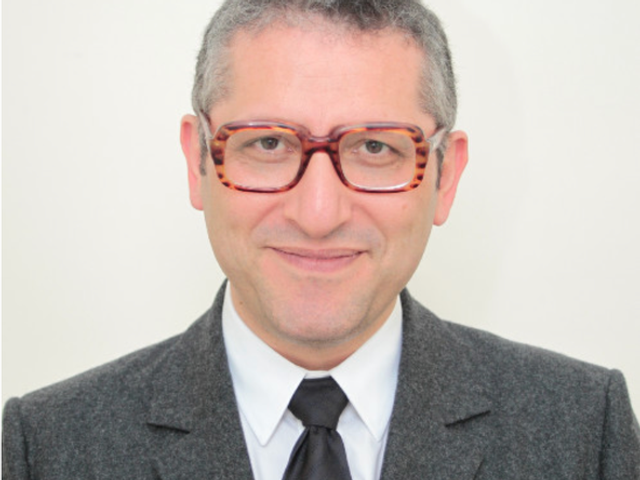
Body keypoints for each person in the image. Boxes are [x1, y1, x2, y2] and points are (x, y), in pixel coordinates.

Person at [3, 0, 639, 478]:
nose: (318, 213)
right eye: (268, 143)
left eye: (374, 148)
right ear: (198, 161)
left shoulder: (585, 430)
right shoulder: (46, 447)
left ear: (445, 177)